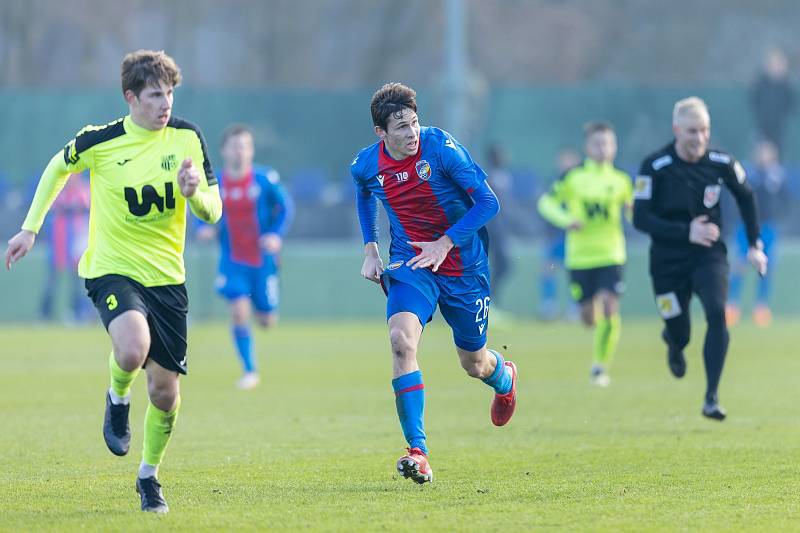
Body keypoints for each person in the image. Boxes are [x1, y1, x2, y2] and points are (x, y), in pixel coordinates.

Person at [4, 50, 222, 512]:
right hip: (111, 269)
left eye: (170, 94)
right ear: (131, 98)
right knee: (130, 347)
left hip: (168, 280)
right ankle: (117, 394)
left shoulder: (187, 138)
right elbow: (56, 168)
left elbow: (213, 209)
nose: (166, 104)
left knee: (165, 394)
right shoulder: (100, 140)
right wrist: (30, 227)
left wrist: (194, 194)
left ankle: (148, 478)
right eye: (155, 95)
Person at [350, 82, 517, 484]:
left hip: (463, 265)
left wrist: (445, 242)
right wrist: (371, 248)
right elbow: (364, 193)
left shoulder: (442, 148)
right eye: (401, 128)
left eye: (414, 123)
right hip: (412, 262)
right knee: (401, 341)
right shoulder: (366, 164)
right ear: (381, 133)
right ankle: (418, 451)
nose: (411, 134)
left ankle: (505, 378)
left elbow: (488, 202)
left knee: (473, 364)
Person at [633, 96, 767, 421]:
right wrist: (684, 231)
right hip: (666, 262)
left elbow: (747, 197)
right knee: (681, 331)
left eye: (704, 130)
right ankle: (674, 342)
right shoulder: (654, 166)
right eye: (692, 131)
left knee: (718, 313)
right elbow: (640, 218)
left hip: (709, 256)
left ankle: (711, 397)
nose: (699, 138)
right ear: (677, 129)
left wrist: (754, 244)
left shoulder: (722, 162)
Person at [196, 124, 294, 389]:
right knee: (239, 312)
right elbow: (201, 209)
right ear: (223, 151)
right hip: (233, 261)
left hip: (263, 262)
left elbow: (285, 207)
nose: (240, 152)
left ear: (250, 150)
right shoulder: (215, 182)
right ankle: (250, 370)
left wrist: (275, 235)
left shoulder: (264, 179)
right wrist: (203, 228)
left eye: (245, 146)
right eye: (235, 146)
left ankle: (270, 296)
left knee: (266, 321)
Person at [537, 123, 632, 387]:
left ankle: (600, 367)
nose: (603, 148)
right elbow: (546, 203)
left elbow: (636, 212)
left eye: (608, 143)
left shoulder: (622, 181)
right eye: (598, 143)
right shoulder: (574, 178)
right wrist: (567, 220)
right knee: (589, 317)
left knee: (610, 305)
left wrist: (639, 212)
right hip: (580, 257)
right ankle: (590, 319)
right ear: (588, 147)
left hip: (612, 253)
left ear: (614, 147)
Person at [726, 140, 790, 327]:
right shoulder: (745, 172)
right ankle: (732, 306)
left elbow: (786, 200)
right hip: (745, 226)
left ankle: (761, 307)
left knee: (767, 268)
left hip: (768, 227)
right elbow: (735, 196)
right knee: (740, 264)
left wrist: (779, 216)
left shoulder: (777, 176)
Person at [38, 172, 92, 322]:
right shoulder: (58, 190)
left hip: (77, 244)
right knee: (52, 280)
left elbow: (88, 209)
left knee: (77, 281)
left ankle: (78, 312)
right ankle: (45, 314)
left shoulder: (85, 190)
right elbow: (52, 209)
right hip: (58, 244)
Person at [537, 148, 581, 321]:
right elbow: (544, 207)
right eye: (564, 159)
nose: (567, 163)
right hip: (553, 236)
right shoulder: (552, 182)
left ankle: (575, 307)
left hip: (574, 236)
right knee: (548, 269)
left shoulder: (581, 182)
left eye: (570, 159)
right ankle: (549, 306)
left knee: (575, 272)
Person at [750, 47, 795, 154]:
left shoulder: (788, 88)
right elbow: (754, 104)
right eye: (773, 62)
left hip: (780, 134)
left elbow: (790, 108)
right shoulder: (760, 86)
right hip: (762, 131)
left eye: (779, 63)